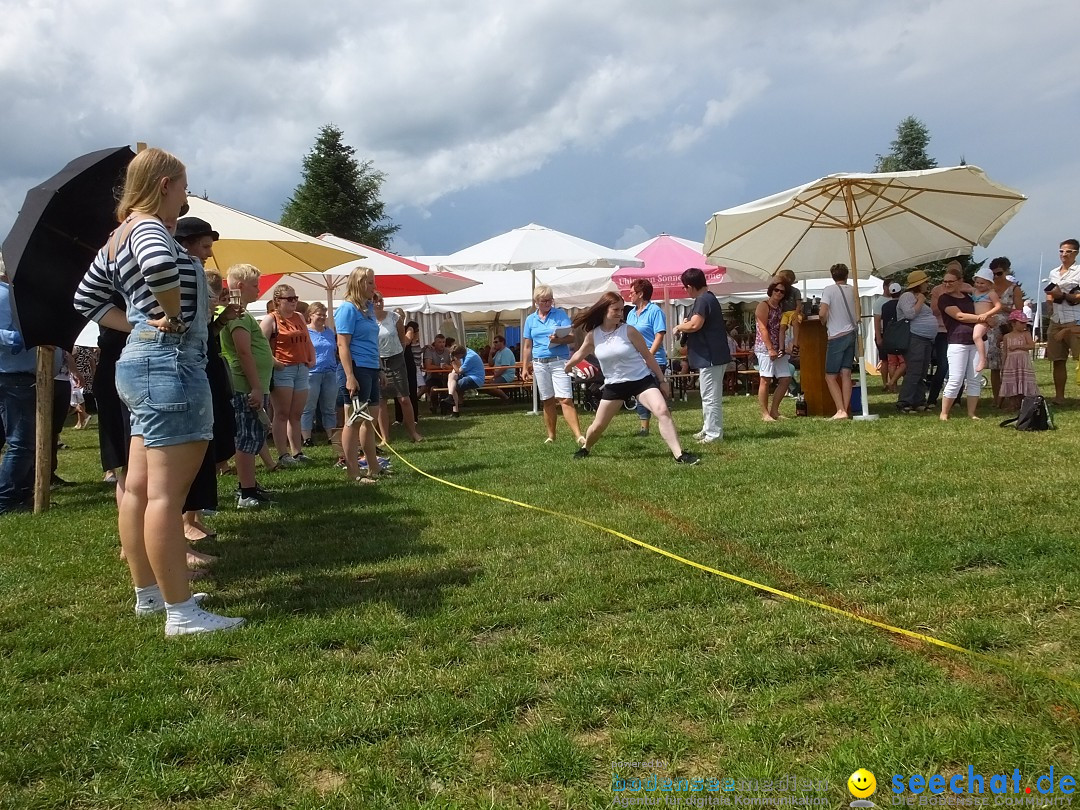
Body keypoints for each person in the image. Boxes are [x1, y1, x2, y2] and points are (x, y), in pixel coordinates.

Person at [73, 147, 242, 635]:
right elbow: (160, 270)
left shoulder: (115, 237)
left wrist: (137, 324)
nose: (187, 196)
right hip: (171, 363)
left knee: (141, 487)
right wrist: (169, 313)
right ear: (165, 184)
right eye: (185, 186)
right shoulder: (149, 229)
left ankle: (150, 595)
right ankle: (181, 613)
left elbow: (85, 298)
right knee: (167, 495)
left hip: (140, 362)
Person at [565, 292, 699, 465]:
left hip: (641, 381)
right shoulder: (593, 335)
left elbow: (648, 357)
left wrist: (662, 381)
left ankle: (679, 454)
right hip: (614, 385)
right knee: (598, 426)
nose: (621, 313)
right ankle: (586, 448)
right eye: (616, 310)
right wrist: (568, 366)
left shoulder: (629, 330)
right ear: (604, 310)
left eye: (622, 310)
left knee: (662, 411)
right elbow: (579, 354)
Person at [220, 263, 275, 508]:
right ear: (240, 286)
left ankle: (249, 484)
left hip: (251, 386)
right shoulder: (237, 315)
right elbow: (243, 351)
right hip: (245, 387)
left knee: (253, 437)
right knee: (247, 438)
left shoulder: (242, 314)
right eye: (255, 285)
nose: (259, 290)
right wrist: (254, 387)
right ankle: (246, 491)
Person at [335, 266, 383, 484]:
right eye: (370, 282)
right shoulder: (347, 309)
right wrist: (349, 376)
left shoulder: (369, 308)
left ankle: (373, 468)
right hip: (357, 367)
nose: (374, 286)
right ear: (359, 283)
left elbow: (373, 340)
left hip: (371, 367)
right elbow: (342, 344)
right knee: (353, 421)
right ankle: (353, 472)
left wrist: (379, 367)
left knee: (369, 420)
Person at [521, 285, 585, 446]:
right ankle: (551, 436)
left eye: (550, 300)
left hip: (558, 360)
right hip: (539, 363)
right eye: (544, 300)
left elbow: (571, 338)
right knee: (547, 399)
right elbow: (527, 346)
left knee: (565, 398)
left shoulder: (560, 314)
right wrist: (524, 367)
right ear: (536, 302)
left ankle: (578, 435)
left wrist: (558, 340)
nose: (548, 303)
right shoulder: (530, 320)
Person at [671, 268, 729, 442]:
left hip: (710, 357)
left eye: (685, 288)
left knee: (710, 397)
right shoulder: (708, 298)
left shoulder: (702, 300)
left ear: (689, 286)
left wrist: (679, 327)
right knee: (708, 395)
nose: (685, 291)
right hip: (712, 356)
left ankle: (714, 434)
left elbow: (696, 325)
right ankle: (708, 428)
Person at [262, 283, 316, 467]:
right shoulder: (271, 320)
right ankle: (283, 454)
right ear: (278, 301)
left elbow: (307, 340)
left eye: (295, 298)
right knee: (282, 413)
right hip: (283, 369)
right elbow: (260, 345)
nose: (294, 302)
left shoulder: (299, 317)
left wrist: (312, 357)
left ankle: (297, 451)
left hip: (301, 368)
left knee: (296, 413)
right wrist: (274, 362)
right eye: (289, 299)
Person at [0, 259, 37, 515]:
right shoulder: (5, 296)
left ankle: (20, 493)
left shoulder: (13, 294)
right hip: (13, 375)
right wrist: (25, 335)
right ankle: (6, 499)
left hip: (17, 375)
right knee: (21, 441)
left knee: (22, 440)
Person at [936, 264, 988, 421]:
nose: (947, 284)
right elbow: (959, 316)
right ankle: (944, 413)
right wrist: (982, 318)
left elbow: (983, 294)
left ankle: (972, 413)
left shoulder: (969, 297)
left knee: (975, 379)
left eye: (951, 281)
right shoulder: (944, 299)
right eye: (945, 281)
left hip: (977, 341)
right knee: (956, 378)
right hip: (957, 342)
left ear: (960, 281)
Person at [373, 293, 422, 442]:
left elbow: (403, 340)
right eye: (375, 301)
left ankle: (413, 432)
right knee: (381, 401)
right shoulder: (367, 320)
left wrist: (397, 354)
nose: (379, 303)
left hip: (396, 359)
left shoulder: (394, 317)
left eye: (381, 300)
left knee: (404, 398)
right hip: (378, 361)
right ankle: (385, 437)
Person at [625, 279, 668, 437]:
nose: (629, 295)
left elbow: (659, 336)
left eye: (632, 292)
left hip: (654, 360)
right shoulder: (630, 313)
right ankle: (644, 428)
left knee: (655, 395)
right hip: (636, 361)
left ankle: (665, 425)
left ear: (641, 294)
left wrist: (648, 356)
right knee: (640, 394)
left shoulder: (655, 311)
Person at [818, 263, 858, 420]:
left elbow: (823, 312)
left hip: (836, 335)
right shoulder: (853, 289)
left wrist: (823, 322)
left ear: (832, 276)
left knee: (830, 376)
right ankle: (845, 409)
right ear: (846, 275)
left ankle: (840, 409)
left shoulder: (829, 290)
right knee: (846, 373)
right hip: (851, 333)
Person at [1044, 239, 1080, 405]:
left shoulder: (1079, 271)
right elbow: (1051, 294)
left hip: (1075, 318)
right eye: (1061, 251)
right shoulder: (1053, 273)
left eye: (1068, 251)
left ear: (1076, 253)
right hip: (1057, 318)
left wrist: (1063, 296)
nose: (1064, 254)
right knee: (1058, 360)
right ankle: (1059, 397)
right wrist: (1051, 299)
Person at [984, 257, 1023, 404]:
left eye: (999, 273)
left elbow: (1018, 311)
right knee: (995, 366)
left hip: (1007, 327)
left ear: (1006, 271)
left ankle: (1012, 397)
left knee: (1009, 364)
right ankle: (997, 399)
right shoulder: (988, 288)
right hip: (991, 327)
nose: (996, 277)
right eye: (993, 274)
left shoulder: (1014, 289)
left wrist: (1001, 306)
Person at [753, 282, 792, 421]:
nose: (779, 293)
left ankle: (774, 410)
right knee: (765, 379)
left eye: (782, 291)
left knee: (786, 378)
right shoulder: (763, 305)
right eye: (776, 290)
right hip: (765, 347)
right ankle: (764, 414)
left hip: (779, 347)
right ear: (771, 290)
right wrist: (770, 348)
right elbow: (762, 328)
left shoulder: (781, 307)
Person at [302, 301, 338, 448]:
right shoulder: (305, 332)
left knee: (329, 407)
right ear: (310, 315)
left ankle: (332, 436)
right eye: (319, 314)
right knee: (308, 407)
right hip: (312, 373)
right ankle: (307, 438)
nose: (322, 317)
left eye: (324, 314)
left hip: (330, 372)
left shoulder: (329, 332)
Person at [999, 310, 1039, 409]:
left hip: (1023, 361)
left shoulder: (1026, 334)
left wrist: (1018, 346)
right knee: (1013, 380)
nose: (1024, 325)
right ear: (1013, 323)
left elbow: (1031, 346)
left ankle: (1025, 403)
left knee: (1023, 379)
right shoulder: (1006, 336)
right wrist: (1003, 365)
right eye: (1021, 322)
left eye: (1025, 322)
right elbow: (1005, 352)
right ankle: (1012, 403)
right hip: (1011, 362)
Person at [969, 267, 1003, 373]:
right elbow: (963, 288)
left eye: (982, 283)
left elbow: (998, 306)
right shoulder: (974, 291)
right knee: (975, 337)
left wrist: (987, 314)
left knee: (977, 336)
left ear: (989, 284)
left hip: (984, 320)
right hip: (976, 318)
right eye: (977, 282)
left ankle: (982, 359)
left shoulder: (990, 293)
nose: (979, 285)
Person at [874, 282, 905, 394]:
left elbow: (880, 321)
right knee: (904, 362)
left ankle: (893, 387)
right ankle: (892, 381)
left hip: (888, 336)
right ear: (900, 292)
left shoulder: (884, 306)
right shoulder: (902, 305)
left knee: (891, 362)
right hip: (901, 337)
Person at [447, 343, 486, 416]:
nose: (456, 358)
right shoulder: (466, 353)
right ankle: (450, 398)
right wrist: (452, 375)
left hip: (476, 379)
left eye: (456, 356)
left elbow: (459, 371)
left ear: (460, 354)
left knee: (454, 386)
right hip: (467, 376)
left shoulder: (470, 357)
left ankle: (454, 409)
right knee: (451, 376)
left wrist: (452, 362)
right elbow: (456, 371)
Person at [420, 333, 451, 413]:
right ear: (435, 343)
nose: (442, 344)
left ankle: (445, 405)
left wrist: (448, 367)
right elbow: (428, 366)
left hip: (446, 377)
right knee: (433, 389)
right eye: (439, 342)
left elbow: (453, 365)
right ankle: (434, 405)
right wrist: (440, 367)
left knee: (449, 385)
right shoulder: (430, 351)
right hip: (432, 377)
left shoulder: (448, 352)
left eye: (443, 342)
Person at [487, 334, 517, 400]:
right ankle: (503, 396)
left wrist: (494, 377)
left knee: (489, 386)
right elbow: (491, 364)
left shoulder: (506, 352)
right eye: (494, 342)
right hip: (500, 375)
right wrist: (490, 353)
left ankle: (506, 398)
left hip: (506, 376)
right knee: (486, 386)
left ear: (502, 342)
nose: (494, 344)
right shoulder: (499, 352)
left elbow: (504, 368)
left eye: (496, 342)